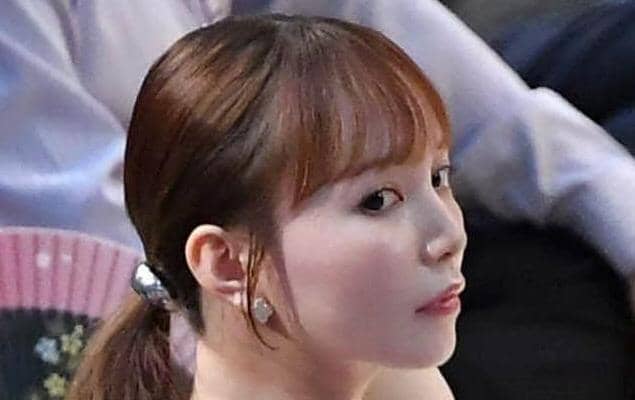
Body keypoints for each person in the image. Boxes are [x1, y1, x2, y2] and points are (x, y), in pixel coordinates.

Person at [67, 14, 467, 400]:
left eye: (438, 178)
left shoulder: (398, 381)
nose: (450, 237)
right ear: (227, 263)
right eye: (377, 201)